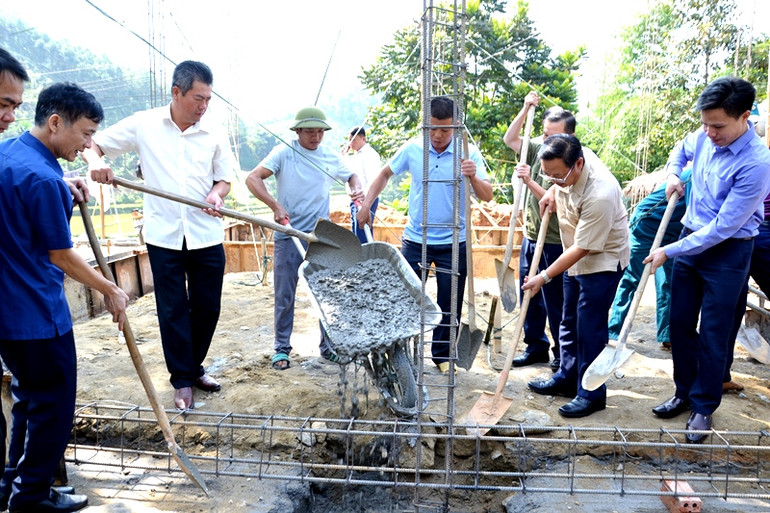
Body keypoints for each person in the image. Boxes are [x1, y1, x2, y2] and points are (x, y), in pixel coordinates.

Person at [0, 82, 130, 513]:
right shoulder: (41, 178)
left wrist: (63, 186)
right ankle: (30, 500)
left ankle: (14, 486)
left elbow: (24, 211)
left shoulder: (10, 155)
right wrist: (109, 287)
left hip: (9, 314)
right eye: (86, 134)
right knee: (53, 411)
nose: (89, 144)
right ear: (55, 122)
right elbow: (60, 254)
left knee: (29, 402)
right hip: (37, 314)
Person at [83, 60, 237, 410]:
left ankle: (193, 366)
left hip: (205, 232)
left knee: (207, 307)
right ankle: (182, 379)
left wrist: (217, 194)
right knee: (172, 309)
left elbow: (224, 178)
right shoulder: (145, 124)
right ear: (176, 92)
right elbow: (93, 145)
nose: (203, 106)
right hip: (163, 235)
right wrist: (96, 164)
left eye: (208, 99)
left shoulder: (213, 130)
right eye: (198, 98)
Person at [646, 77, 770, 443]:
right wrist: (672, 175)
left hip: (728, 251)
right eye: (705, 124)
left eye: (718, 126)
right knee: (680, 322)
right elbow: (678, 151)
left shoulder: (758, 163)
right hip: (689, 240)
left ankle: (703, 406)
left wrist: (669, 250)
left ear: (744, 116)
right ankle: (684, 392)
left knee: (715, 331)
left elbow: (723, 228)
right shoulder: (702, 136)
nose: (709, 133)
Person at [356, 96, 493, 373]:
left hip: (454, 242)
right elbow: (384, 174)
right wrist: (367, 204)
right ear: (425, 126)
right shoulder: (413, 148)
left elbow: (487, 195)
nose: (438, 135)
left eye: (445, 129)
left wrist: (474, 176)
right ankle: (402, 355)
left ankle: (441, 356)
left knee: (448, 302)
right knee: (406, 299)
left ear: (455, 126)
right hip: (416, 240)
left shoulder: (467, 152)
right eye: (432, 128)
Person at [245, 106, 363, 371]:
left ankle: (328, 346)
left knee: (325, 292)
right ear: (297, 131)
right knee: (285, 294)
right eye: (310, 131)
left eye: (320, 131)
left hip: (321, 236)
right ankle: (281, 348)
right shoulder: (284, 153)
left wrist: (356, 189)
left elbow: (352, 176)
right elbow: (253, 179)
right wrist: (275, 206)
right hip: (288, 232)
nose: (316, 136)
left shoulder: (330, 156)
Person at [523, 134, 629, 418]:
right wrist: (550, 191)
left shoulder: (602, 192)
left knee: (589, 328)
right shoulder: (569, 162)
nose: (552, 181)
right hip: (574, 253)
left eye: (557, 177)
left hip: (601, 260)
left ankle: (591, 394)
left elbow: (585, 248)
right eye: (547, 176)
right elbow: (557, 185)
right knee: (567, 320)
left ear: (578, 164)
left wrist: (543, 276)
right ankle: (568, 377)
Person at [503, 92, 593, 372]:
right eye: (544, 134)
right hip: (531, 236)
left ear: (571, 136)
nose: (546, 141)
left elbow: (551, 203)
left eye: (553, 135)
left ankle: (561, 355)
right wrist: (525, 107)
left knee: (556, 303)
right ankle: (535, 346)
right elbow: (510, 139)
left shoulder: (573, 161)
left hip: (556, 242)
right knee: (528, 295)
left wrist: (529, 181)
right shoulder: (537, 149)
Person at [607, 168, 691, 349]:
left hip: (675, 232)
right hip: (648, 225)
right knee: (632, 279)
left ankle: (667, 334)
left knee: (668, 282)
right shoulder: (694, 174)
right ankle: (615, 332)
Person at [344, 126, 381, 243]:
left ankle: (366, 259)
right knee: (357, 233)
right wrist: (344, 156)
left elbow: (373, 180)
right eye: (349, 140)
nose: (351, 143)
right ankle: (359, 259)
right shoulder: (356, 155)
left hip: (365, 200)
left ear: (363, 139)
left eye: (354, 140)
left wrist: (365, 201)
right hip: (355, 200)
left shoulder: (370, 155)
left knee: (363, 233)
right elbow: (347, 175)